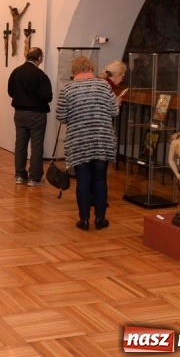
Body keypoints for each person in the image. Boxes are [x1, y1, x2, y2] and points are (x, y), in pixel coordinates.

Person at [55, 56, 118, 231]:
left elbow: (60, 115)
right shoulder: (103, 85)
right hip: (102, 139)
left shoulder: (68, 88)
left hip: (79, 140)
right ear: (91, 68)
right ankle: (100, 218)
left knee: (83, 180)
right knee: (100, 178)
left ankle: (83, 220)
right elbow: (114, 110)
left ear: (74, 70)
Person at [7, 47, 52, 187]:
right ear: (39, 58)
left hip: (19, 113)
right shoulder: (40, 74)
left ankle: (20, 175)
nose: (42, 59)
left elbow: (10, 91)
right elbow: (47, 96)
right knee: (36, 146)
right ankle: (34, 177)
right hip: (37, 114)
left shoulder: (16, 72)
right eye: (42, 57)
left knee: (20, 144)